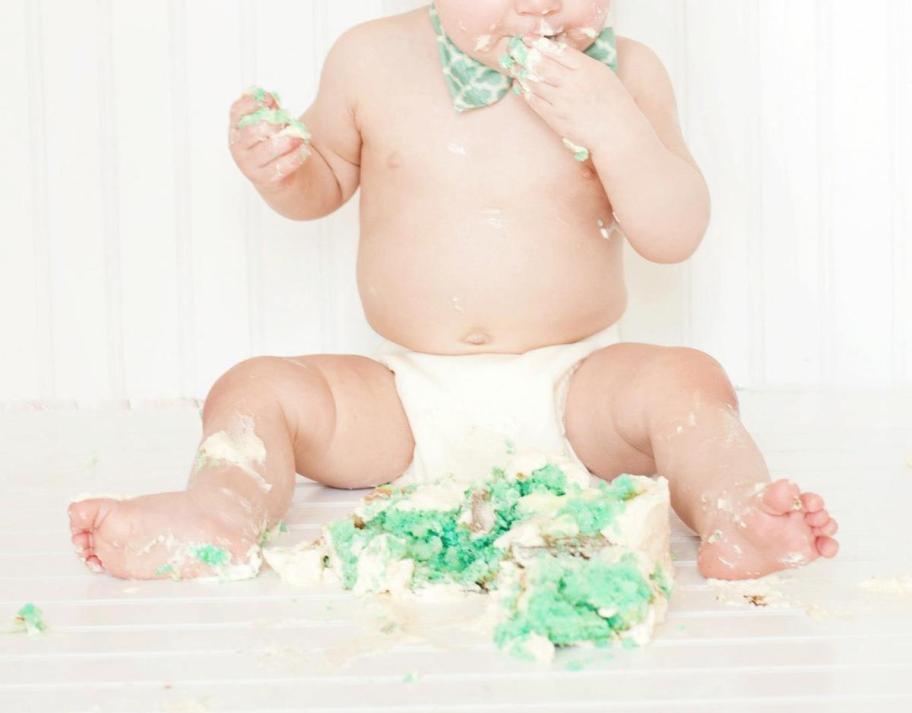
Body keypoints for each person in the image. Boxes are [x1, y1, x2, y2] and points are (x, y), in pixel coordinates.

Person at [68, 0, 838, 581]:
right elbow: (325, 181)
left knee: (687, 379)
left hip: (577, 391)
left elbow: (675, 235)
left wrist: (616, 127)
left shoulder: (629, 74)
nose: (540, 6)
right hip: (407, 394)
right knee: (255, 387)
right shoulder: (370, 59)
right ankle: (220, 511)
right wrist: (287, 168)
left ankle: (735, 513)